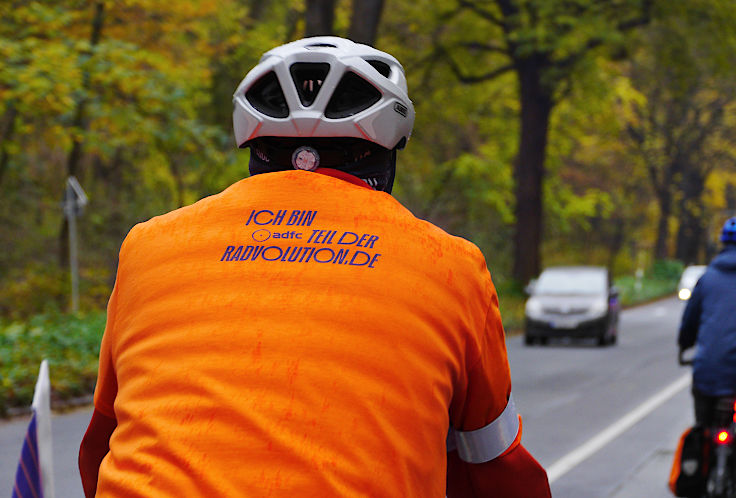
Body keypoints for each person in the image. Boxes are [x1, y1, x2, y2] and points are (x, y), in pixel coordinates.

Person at [79, 36, 550, 497]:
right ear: (388, 150)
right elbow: (494, 467)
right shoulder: (452, 267)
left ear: (254, 143)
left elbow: (101, 446)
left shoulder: (149, 246)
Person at [678, 217, 736, 426]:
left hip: (710, 370)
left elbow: (689, 321)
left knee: (704, 424)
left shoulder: (708, 278)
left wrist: (684, 345)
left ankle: (701, 447)